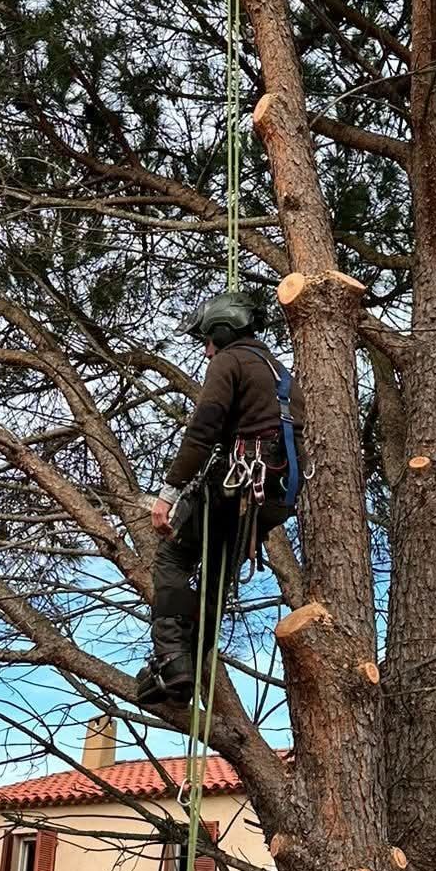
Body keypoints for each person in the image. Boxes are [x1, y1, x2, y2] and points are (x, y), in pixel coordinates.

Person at [134, 291, 302, 711]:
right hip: (276, 496)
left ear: (224, 332)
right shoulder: (282, 374)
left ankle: (173, 659)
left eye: (208, 340)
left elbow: (203, 428)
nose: (207, 350)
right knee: (215, 579)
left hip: (241, 484)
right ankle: (184, 670)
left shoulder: (229, 361)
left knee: (172, 559)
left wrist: (169, 493)